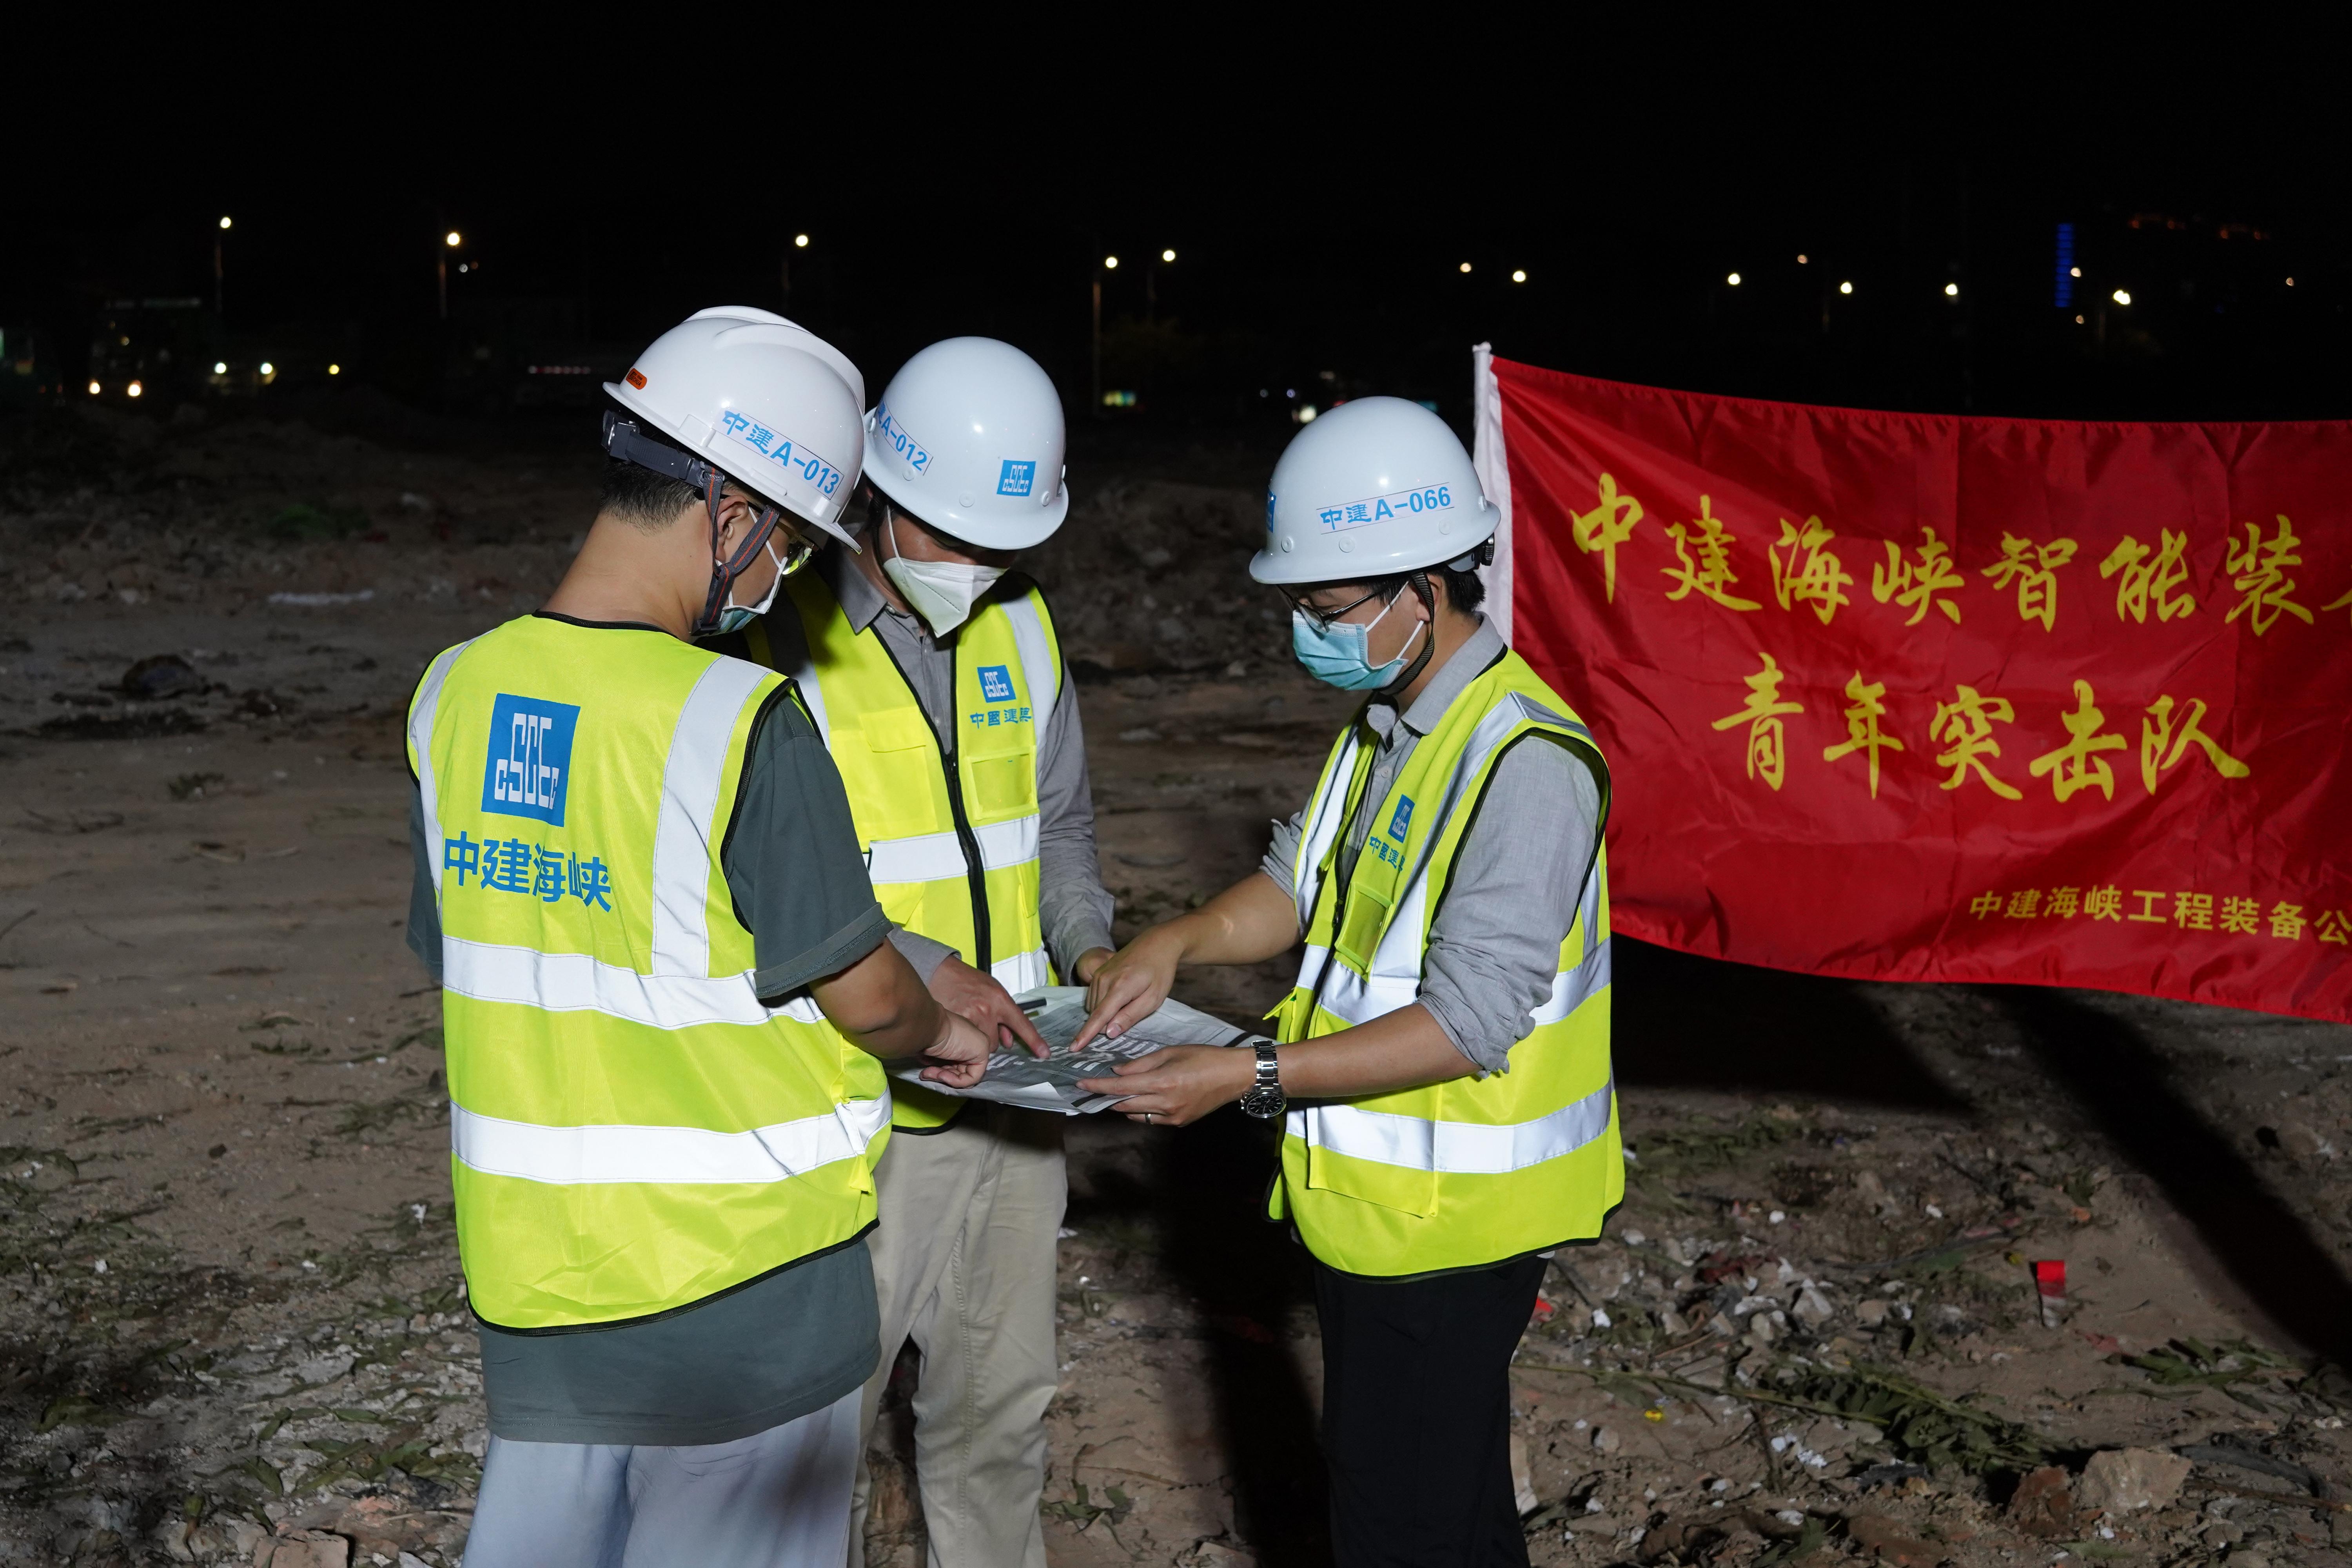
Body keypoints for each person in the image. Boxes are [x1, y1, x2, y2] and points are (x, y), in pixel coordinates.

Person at [401, 307, 994, 1568]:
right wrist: (940, 1026)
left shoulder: (454, 693)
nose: (783, 573)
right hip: (747, 1303)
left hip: (542, 1299)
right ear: (729, 510)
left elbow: (503, 944)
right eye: (784, 539)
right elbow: (868, 1000)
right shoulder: (740, 718)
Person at [1076, 396, 1618, 1568]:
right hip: (1378, 1209)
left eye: (1328, 611)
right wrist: (1177, 938)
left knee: (1397, 1525)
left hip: (1452, 1231)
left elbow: (1471, 1023)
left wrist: (1248, 1075)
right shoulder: (1389, 725)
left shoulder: (1524, 763)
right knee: (1453, 1512)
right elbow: (1296, 884)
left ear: (1426, 589)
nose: (1306, 635)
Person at [717, 336, 1113, 1568]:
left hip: (1016, 1095)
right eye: (951, 534)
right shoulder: (777, 641)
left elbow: (1061, 826)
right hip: (856, 1106)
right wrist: (923, 965)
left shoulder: (1028, 629)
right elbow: (747, 870)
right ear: (881, 496)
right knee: (813, 1430)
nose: (977, 567)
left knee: (1001, 1407)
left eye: (1003, 543)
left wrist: (1091, 954)